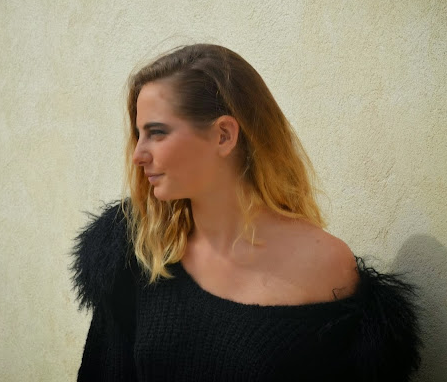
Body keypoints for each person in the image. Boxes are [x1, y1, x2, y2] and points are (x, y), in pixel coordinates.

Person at [71, 44, 421, 381]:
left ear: (224, 135)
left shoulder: (326, 267)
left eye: (157, 133)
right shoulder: (139, 248)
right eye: (138, 135)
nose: (138, 154)